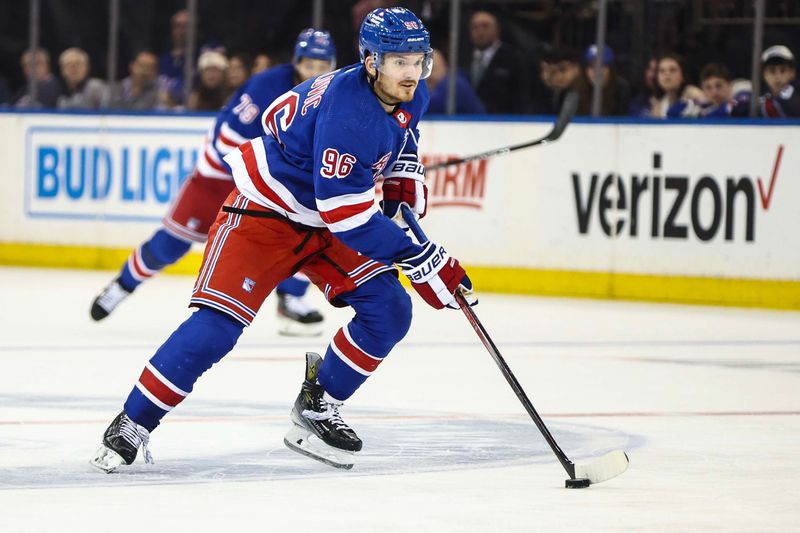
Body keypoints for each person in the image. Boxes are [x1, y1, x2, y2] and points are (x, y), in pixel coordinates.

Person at [89, 6, 475, 474]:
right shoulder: (348, 115)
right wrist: (422, 257)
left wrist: (401, 174)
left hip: (323, 212)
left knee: (390, 308)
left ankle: (318, 404)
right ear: (371, 61)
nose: (412, 73)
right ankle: (134, 421)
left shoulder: (408, 91)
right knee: (216, 328)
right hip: (266, 212)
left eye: (419, 60)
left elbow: (402, 133)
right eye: (399, 62)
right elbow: (348, 218)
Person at [90, 28, 339, 337]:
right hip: (220, 176)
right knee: (171, 243)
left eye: (322, 65)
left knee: (313, 233)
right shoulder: (268, 85)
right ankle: (122, 286)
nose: (315, 72)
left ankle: (290, 299)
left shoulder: (335, 90)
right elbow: (227, 139)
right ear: (296, 61)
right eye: (309, 64)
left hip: (270, 183)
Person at [465, 9, 527, 114]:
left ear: (497, 30)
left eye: (485, 26)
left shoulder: (513, 58)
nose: (480, 31)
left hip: (502, 120)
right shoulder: (461, 57)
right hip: (467, 120)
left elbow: (521, 96)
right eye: (475, 27)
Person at [667, 62, 750, 118]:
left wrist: (702, 114)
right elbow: (672, 112)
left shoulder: (742, 88)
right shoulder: (705, 103)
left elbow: (741, 106)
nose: (714, 91)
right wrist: (700, 98)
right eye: (708, 88)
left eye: (719, 86)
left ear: (729, 84)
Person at [426, 48, 485, 114]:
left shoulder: (455, 83)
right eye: (424, 71)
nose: (428, 76)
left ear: (445, 67)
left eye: (433, 69)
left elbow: (429, 103)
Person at [580, 44, 630, 116]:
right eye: (592, 67)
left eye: (602, 66)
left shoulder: (621, 92)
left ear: (611, 70)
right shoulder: (577, 93)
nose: (597, 72)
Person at [650, 53, 703, 118]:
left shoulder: (694, 95)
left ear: (682, 76)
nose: (667, 74)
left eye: (672, 70)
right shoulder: (658, 107)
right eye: (662, 71)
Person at [759, 45, 800, 118]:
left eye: (783, 71)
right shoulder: (759, 100)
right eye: (772, 71)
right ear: (764, 74)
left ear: (792, 73)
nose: (778, 77)